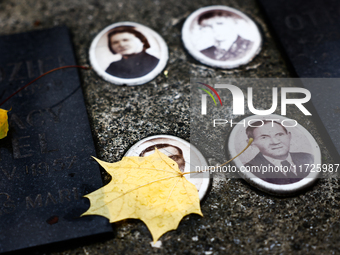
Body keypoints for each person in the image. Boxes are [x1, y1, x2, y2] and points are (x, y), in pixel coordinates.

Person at [245, 120, 314, 184]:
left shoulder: (308, 158)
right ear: (251, 143)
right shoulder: (250, 169)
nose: (275, 142)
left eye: (280, 135)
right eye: (264, 137)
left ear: (289, 136)